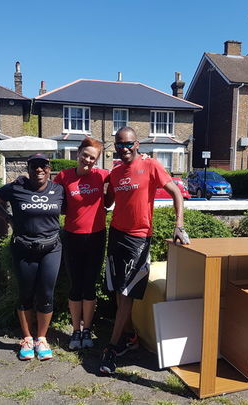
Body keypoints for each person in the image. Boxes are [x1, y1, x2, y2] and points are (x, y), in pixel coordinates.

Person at [99, 127, 190, 374]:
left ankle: (111, 348)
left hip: (139, 238)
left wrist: (179, 225)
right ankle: (129, 338)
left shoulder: (151, 166)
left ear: (137, 144)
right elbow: (108, 202)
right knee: (118, 293)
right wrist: (100, 181)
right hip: (116, 235)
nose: (124, 149)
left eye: (128, 144)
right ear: (115, 147)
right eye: (119, 145)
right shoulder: (116, 172)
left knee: (127, 294)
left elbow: (176, 194)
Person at [0, 153, 64, 361]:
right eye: (34, 166)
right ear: (28, 169)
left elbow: (73, 210)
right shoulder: (15, 188)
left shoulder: (58, 190)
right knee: (26, 294)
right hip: (23, 248)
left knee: (46, 294)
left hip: (51, 249)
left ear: (49, 168)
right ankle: (27, 338)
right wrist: (7, 217)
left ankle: (42, 339)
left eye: (43, 166)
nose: (39, 170)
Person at [54, 138, 109, 350]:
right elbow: (53, 201)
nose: (88, 160)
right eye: (85, 155)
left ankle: (88, 330)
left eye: (92, 158)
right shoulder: (64, 176)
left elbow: (124, 179)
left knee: (90, 286)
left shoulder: (102, 175)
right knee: (75, 285)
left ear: (97, 161)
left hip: (96, 236)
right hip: (72, 237)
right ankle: (76, 330)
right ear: (78, 153)